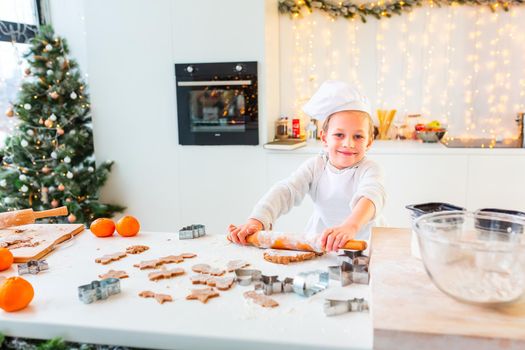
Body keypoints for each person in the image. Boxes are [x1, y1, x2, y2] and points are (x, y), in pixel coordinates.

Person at [228, 80, 386, 251]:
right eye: (339, 134)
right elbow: (286, 191)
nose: (348, 143)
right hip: (323, 243)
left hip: (366, 245)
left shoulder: (369, 169)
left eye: (358, 136)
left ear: (369, 142)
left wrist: (351, 226)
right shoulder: (316, 166)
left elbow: (371, 195)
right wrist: (258, 219)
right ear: (324, 138)